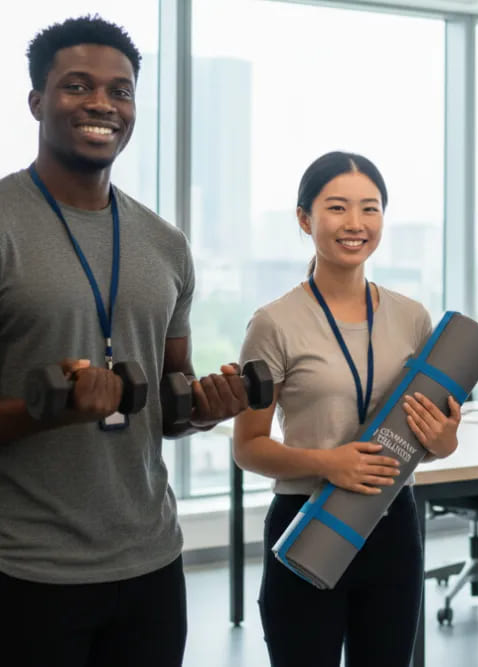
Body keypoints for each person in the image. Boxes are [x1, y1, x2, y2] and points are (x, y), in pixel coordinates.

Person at [0, 15, 249, 667]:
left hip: (151, 564)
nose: (102, 104)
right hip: (25, 568)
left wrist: (204, 408)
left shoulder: (166, 243)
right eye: (77, 85)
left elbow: (168, 406)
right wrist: (45, 411)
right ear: (36, 101)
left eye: (121, 90)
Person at [234, 151, 461, 667]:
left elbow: (431, 439)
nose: (355, 224)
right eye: (337, 208)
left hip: (392, 523)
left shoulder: (411, 317)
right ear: (304, 218)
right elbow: (248, 447)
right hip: (307, 520)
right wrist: (328, 462)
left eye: (370, 208)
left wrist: (443, 442)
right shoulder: (274, 323)